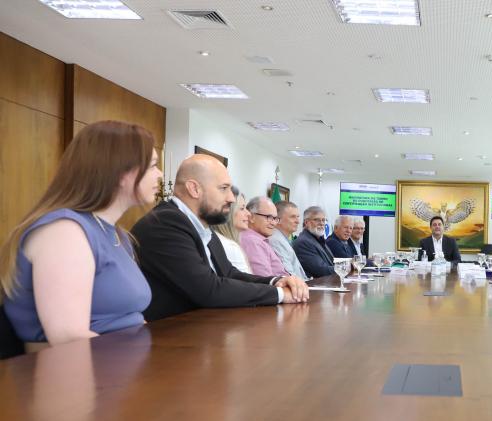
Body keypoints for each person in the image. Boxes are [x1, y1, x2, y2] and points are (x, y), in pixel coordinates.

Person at [1, 120, 157, 347]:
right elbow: (69, 339)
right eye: (152, 165)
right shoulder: (64, 232)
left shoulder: (118, 235)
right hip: (80, 374)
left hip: (121, 368)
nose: (160, 174)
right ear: (121, 172)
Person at [131, 154, 308, 321]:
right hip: (168, 341)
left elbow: (229, 274)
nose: (231, 198)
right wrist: (280, 295)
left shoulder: (201, 225)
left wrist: (276, 282)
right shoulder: (165, 223)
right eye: (224, 189)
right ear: (194, 189)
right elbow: (208, 289)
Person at [239, 196, 289, 277]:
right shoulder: (253, 241)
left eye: (275, 218)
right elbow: (265, 280)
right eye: (269, 217)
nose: (273, 223)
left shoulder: (259, 239)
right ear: (251, 217)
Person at [211, 187, 252, 273]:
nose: (248, 214)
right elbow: (245, 284)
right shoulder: (230, 247)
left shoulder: (216, 239)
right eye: (242, 208)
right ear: (228, 212)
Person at [270, 200, 309, 280]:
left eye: (298, 217)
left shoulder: (283, 238)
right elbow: (289, 275)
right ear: (278, 220)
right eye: (292, 217)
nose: (298, 221)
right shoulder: (276, 240)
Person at [293, 206, 335, 278]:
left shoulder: (319, 239)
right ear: (306, 222)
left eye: (323, 220)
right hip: (317, 286)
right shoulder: (303, 242)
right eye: (317, 220)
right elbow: (322, 271)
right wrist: (347, 268)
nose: (321, 223)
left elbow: (332, 262)